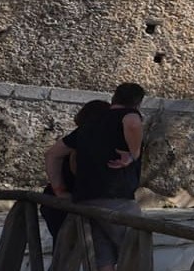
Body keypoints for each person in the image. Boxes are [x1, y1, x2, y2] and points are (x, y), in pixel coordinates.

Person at [45, 82, 145, 271]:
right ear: (138, 103)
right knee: (135, 254)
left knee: (102, 259)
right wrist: (133, 154)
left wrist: (59, 190)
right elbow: (132, 121)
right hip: (117, 200)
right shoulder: (128, 115)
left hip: (84, 200)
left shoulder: (90, 123)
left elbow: (52, 154)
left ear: (114, 97)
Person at [40, 100, 111, 241]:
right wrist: (61, 192)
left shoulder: (81, 136)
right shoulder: (86, 136)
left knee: (66, 254)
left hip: (61, 202)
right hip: (67, 203)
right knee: (67, 253)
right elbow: (70, 164)